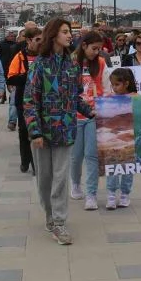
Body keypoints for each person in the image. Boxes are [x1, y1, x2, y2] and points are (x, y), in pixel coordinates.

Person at [24, 18, 94, 245]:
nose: (69, 35)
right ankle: (49, 217)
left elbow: (75, 96)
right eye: (65, 31)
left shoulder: (72, 65)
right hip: (43, 132)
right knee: (44, 179)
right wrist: (35, 132)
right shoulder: (39, 65)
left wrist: (90, 111)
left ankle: (59, 222)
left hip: (66, 130)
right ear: (53, 35)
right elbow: (29, 101)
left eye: (70, 31)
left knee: (61, 178)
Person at [70, 31, 106, 210]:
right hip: (74, 115)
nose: (96, 52)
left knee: (92, 155)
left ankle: (91, 194)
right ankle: (75, 184)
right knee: (76, 156)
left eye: (99, 49)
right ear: (84, 46)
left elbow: (106, 86)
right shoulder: (70, 62)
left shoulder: (101, 63)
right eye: (94, 48)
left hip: (94, 113)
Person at [7, 28, 42, 173]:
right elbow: (11, 78)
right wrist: (30, 75)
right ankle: (25, 160)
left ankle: (36, 163)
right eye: (37, 40)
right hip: (23, 99)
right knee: (24, 130)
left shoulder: (45, 56)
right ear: (28, 40)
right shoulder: (20, 56)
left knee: (37, 130)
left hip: (41, 100)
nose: (40, 43)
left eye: (42, 40)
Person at [105, 68, 138, 210]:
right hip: (113, 140)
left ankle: (125, 194)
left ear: (126, 83)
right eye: (112, 85)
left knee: (128, 167)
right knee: (112, 165)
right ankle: (111, 194)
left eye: (117, 84)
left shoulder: (136, 97)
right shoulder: (109, 98)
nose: (114, 88)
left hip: (131, 139)